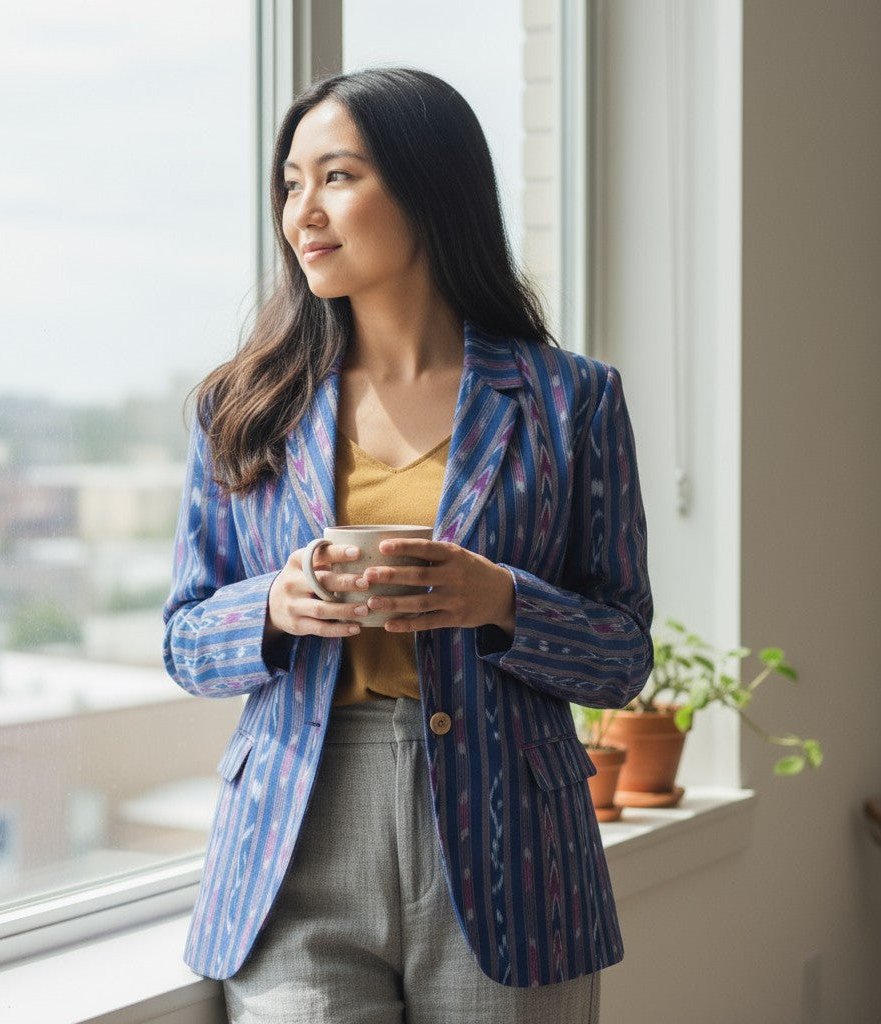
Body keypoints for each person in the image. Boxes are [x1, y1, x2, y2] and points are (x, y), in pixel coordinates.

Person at [163, 67, 653, 1024]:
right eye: (291, 183)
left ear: (432, 188)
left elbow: (623, 656)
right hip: (296, 838)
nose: (303, 211)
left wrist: (501, 598)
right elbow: (185, 638)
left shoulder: (571, 399)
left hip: (514, 844)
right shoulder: (242, 406)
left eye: (337, 176)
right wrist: (274, 604)